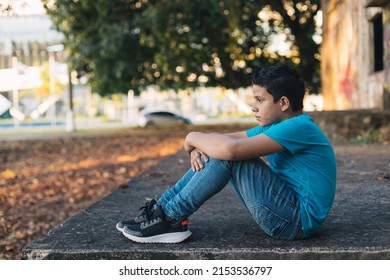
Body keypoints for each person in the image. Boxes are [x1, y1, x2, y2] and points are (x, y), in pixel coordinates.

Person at [116, 65, 337, 243]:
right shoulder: (274, 126)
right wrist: (203, 143)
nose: (253, 107)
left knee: (231, 156)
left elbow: (230, 150)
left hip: (295, 221)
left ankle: (170, 218)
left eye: (260, 100)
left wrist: (192, 137)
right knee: (222, 149)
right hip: (287, 212)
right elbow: (225, 139)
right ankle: (161, 211)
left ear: (284, 103)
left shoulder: (298, 127)